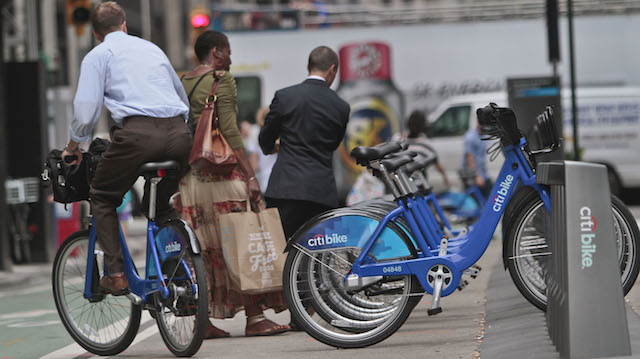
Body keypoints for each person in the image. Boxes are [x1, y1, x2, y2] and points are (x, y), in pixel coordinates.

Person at [61, 2, 191, 295]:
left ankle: (117, 273)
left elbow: (86, 111)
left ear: (96, 34)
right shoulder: (152, 49)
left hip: (138, 136)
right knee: (160, 207)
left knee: (103, 197)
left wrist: (73, 145)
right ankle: (181, 274)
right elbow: (180, 95)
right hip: (179, 135)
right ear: (124, 25)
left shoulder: (98, 55)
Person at [177, 30, 289, 338]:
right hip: (223, 177)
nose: (230, 58)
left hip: (192, 181)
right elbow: (229, 129)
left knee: (203, 251)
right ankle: (255, 318)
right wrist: (250, 175)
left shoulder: (183, 82)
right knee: (242, 241)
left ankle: (206, 321)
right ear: (215, 52)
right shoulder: (221, 79)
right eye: (227, 52)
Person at [259, 46, 350, 240]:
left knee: (279, 248)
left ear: (308, 66)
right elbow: (333, 143)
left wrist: (271, 148)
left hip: (286, 188)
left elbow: (265, 136)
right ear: (333, 69)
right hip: (321, 191)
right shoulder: (341, 106)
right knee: (319, 251)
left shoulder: (285, 97)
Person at [405, 110, 451, 188]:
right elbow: (437, 163)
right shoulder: (424, 145)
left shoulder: (399, 141)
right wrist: (445, 178)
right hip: (420, 185)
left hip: (403, 185)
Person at [463, 115, 492, 198]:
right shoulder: (471, 137)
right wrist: (477, 176)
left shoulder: (483, 136)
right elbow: (469, 157)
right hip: (474, 176)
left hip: (483, 174)